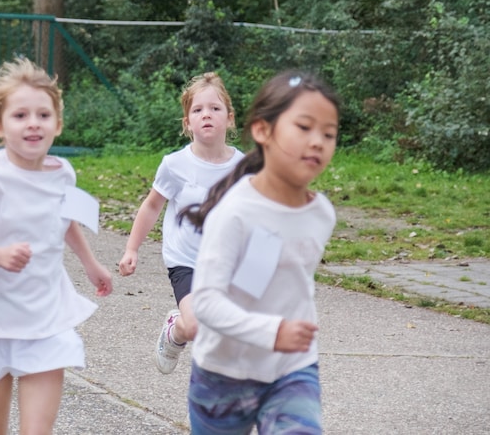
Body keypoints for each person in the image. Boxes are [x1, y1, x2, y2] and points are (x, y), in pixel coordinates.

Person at [0, 57, 113, 435]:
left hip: (45, 320)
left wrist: (91, 264)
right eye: (21, 115)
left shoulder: (64, 172)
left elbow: (63, 221)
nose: (33, 123)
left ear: (57, 124)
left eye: (43, 115)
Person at [182, 71, 340, 435]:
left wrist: (283, 336)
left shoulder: (321, 213)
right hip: (223, 373)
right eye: (303, 127)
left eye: (328, 134)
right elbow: (205, 303)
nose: (317, 142)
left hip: (292, 368)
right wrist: (271, 331)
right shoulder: (236, 212)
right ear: (262, 131)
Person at [117, 72, 245, 374]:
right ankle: (175, 332)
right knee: (197, 326)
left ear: (229, 118)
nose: (207, 115)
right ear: (187, 123)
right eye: (197, 110)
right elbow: (151, 206)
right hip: (185, 259)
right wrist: (131, 249)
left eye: (215, 109)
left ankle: (183, 331)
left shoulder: (243, 167)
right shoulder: (175, 165)